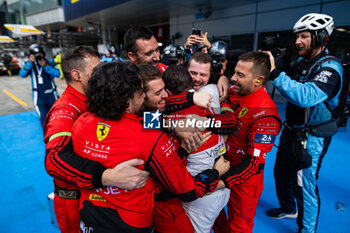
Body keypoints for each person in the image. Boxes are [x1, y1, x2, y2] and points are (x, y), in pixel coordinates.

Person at [71, 62, 230, 232]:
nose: (165, 95)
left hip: (89, 217)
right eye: (141, 91)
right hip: (133, 221)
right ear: (128, 99)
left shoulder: (81, 123)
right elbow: (188, 191)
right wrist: (215, 173)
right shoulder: (150, 137)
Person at [44, 46, 150, 233]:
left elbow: (130, 117)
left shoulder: (98, 97)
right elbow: (54, 159)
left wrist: (174, 123)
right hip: (75, 201)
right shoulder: (66, 110)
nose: (101, 73)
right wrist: (106, 176)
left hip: (103, 201)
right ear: (77, 75)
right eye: (95, 70)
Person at [265, 13, 343, 233]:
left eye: (305, 36)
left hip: (313, 136)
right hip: (292, 129)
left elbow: (306, 96)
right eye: (297, 36)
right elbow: (277, 70)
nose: (298, 41)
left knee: (304, 185)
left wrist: (275, 73)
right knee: (281, 173)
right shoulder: (301, 62)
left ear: (321, 37)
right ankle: (289, 208)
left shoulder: (330, 68)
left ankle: (306, 230)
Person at [214, 51, 282, 233]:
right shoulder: (236, 90)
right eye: (234, 72)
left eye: (240, 75)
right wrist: (221, 78)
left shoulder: (265, 114)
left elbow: (253, 163)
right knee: (214, 217)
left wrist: (221, 181)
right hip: (219, 165)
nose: (233, 78)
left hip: (243, 180)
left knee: (239, 227)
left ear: (258, 81)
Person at [163, 65, 231, 233]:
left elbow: (145, 119)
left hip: (201, 191)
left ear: (168, 93)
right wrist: (220, 76)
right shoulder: (212, 93)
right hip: (221, 185)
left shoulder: (169, 116)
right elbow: (229, 119)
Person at [123, 25, 230, 103]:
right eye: (149, 53)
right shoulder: (125, 83)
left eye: (157, 50)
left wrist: (220, 78)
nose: (156, 57)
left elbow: (196, 74)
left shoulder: (165, 70)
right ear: (132, 56)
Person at [19, 44, 61, 127]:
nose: (38, 55)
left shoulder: (50, 62)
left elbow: (58, 74)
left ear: (43, 53)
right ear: (31, 55)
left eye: (40, 53)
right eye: (35, 54)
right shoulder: (29, 64)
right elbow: (22, 74)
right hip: (38, 96)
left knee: (56, 117)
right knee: (44, 119)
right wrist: (30, 62)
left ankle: (57, 137)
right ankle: (47, 138)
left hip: (52, 94)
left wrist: (46, 66)